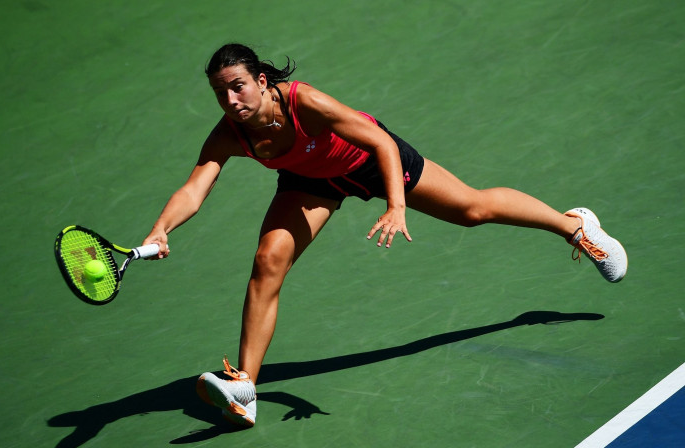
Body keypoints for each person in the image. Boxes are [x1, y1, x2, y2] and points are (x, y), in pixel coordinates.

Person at [142, 43, 627, 427]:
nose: (230, 100)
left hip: (372, 161)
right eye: (220, 93)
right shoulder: (230, 131)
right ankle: (246, 387)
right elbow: (195, 186)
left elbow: (379, 140)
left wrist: (397, 204)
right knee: (269, 260)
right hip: (310, 180)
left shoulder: (303, 102)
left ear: (262, 81)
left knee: (472, 210)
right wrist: (162, 228)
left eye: (238, 87)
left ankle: (574, 226)